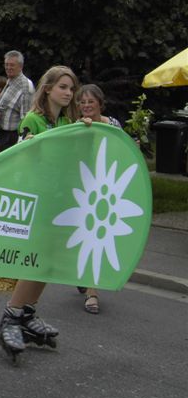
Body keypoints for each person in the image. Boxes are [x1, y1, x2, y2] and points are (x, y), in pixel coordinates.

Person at [0, 65, 87, 357]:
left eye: (71, 89)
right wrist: (29, 147)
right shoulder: (33, 120)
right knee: (35, 262)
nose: (68, 93)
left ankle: (27, 313)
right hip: (40, 202)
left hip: (62, 202)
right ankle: (11, 315)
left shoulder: (68, 123)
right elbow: (22, 158)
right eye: (63, 87)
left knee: (47, 263)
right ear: (47, 89)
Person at [74, 83, 122, 315]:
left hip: (107, 191)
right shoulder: (77, 127)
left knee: (97, 239)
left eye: (90, 102)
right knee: (87, 238)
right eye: (82, 102)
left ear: (100, 104)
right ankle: (89, 286)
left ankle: (89, 286)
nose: (85, 106)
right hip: (84, 190)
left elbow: (121, 152)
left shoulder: (113, 125)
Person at [0, 50, 34, 153]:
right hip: (2, 135)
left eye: (12, 65)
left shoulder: (25, 87)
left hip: (13, 137)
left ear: (20, 66)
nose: (8, 68)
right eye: (6, 64)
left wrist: (21, 142)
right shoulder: (11, 80)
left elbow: (26, 117)